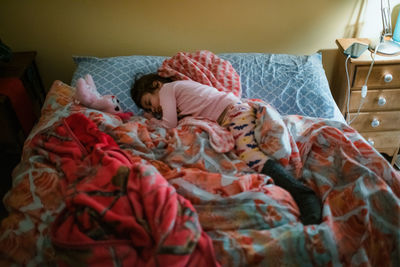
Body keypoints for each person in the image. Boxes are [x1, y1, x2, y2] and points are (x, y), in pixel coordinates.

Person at [131, 73, 322, 225]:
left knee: (252, 157)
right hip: (231, 115)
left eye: (149, 103)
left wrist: (149, 119)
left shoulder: (167, 89)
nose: (155, 110)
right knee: (246, 156)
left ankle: (302, 194)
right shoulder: (178, 93)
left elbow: (169, 124)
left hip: (233, 113)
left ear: (155, 85)